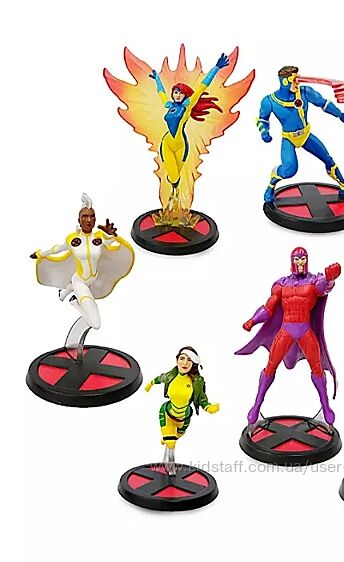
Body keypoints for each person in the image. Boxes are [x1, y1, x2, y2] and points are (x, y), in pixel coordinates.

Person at [236, 247, 340, 428]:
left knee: (317, 370)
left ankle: (326, 408)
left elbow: (323, 288)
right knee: (270, 368)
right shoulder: (281, 284)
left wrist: (330, 279)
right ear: (292, 261)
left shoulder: (313, 281)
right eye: (297, 259)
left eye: (303, 258)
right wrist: (252, 321)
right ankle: (256, 407)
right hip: (286, 331)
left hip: (305, 331)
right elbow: (268, 308)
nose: (300, 262)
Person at [257, 66, 344, 202]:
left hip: (305, 135)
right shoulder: (269, 101)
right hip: (289, 138)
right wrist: (264, 132)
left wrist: (339, 114)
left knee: (328, 159)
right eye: (295, 79)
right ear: (285, 81)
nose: (298, 82)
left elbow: (324, 103)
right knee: (289, 170)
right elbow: (262, 120)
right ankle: (271, 184)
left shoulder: (305, 92)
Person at [31, 193, 134, 331]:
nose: (88, 220)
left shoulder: (99, 237)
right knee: (96, 324)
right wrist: (39, 254)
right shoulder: (72, 239)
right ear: (79, 220)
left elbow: (109, 243)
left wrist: (109, 235)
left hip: (94, 278)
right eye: (85, 217)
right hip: (80, 281)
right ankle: (75, 303)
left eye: (92, 216)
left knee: (81, 291)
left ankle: (64, 292)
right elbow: (57, 249)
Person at [149, 52, 229, 222]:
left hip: (182, 146)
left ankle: (176, 205)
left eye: (180, 92)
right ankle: (172, 203)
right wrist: (157, 79)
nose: (177, 95)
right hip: (167, 144)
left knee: (176, 177)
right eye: (175, 92)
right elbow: (161, 92)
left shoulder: (187, 106)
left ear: (185, 95)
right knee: (173, 176)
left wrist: (216, 68)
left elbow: (202, 86)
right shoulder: (168, 105)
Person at [145, 346, 219, 474]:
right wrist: (150, 384)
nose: (185, 363)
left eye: (189, 360)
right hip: (167, 414)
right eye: (182, 358)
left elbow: (201, 398)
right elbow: (160, 378)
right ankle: (171, 470)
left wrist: (208, 407)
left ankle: (166, 446)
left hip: (184, 418)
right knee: (171, 443)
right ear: (177, 360)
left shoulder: (196, 382)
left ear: (193, 363)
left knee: (174, 439)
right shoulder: (171, 376)